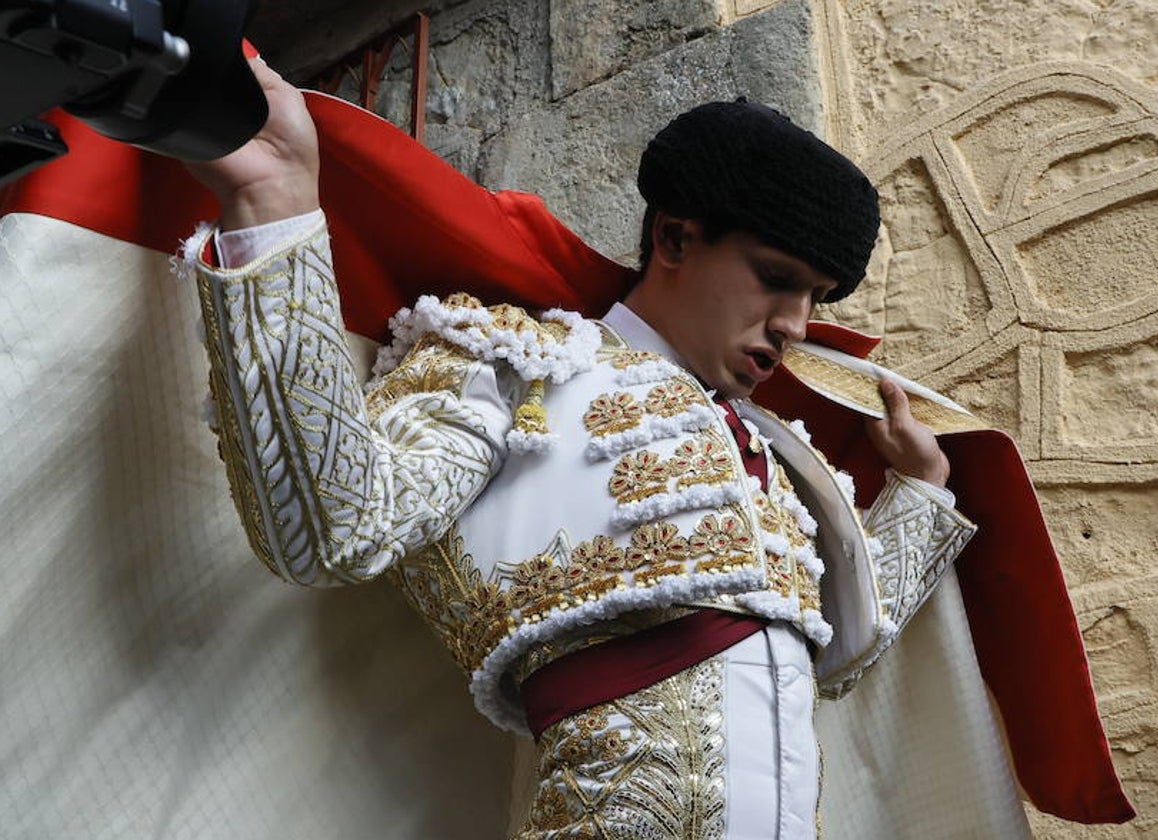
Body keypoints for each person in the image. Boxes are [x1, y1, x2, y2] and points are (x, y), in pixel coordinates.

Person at [183, 59, 986, 839]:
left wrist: (921, 494)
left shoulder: (770, 456)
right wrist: (275, 203)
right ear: (674, 237)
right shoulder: (521, 364)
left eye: (815, 298)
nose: (797, 325)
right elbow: (336, 525)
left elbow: (836, 649)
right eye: (776, 278)